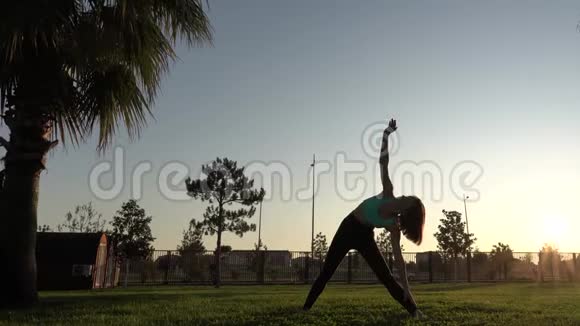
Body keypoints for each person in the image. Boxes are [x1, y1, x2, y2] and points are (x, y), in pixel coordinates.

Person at [303, 118, 425, 318]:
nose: (410, 195)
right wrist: (386, 134)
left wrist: (407, 288)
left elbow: (400, 261)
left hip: (364, 236)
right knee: (327, 271)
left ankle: (414, 311)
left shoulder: (394, 225)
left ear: (408, 209)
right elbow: (383, 161)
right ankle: (305, 308)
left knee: (386, 277)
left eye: (413, 199)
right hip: (348, 227)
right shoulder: (388, 191)